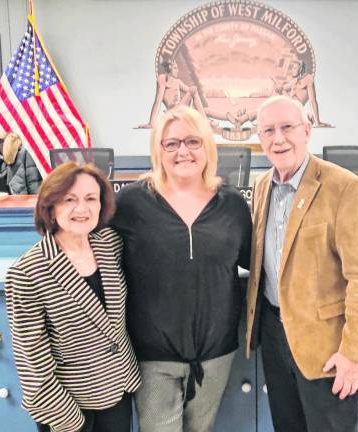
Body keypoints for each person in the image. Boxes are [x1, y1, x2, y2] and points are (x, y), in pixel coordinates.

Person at [246, 95, 358, 432]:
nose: (278, 139)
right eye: (268, 131)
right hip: (276, 337)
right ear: (260, 139)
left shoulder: (345, 188)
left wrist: (354, 354)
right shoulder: (262, 186)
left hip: (328, 349)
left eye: (287, 127)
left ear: (307, 131)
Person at [112, 105, 252, 432]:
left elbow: (251, 263)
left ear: (208, 147)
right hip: (152, 355)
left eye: (193, 141)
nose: (183, 151)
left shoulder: (231, 204)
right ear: (157, 151)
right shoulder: (131, 203)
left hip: (215, 353)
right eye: (171, 143)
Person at [5, 162, 141, 432]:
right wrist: (72, 421)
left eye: (91, 198)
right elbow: (33, 365)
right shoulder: (27, 272)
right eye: (70, 200)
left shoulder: (109, 244)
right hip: (70, 410)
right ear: (50, 207)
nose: (82, 209)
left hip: (118, 390)